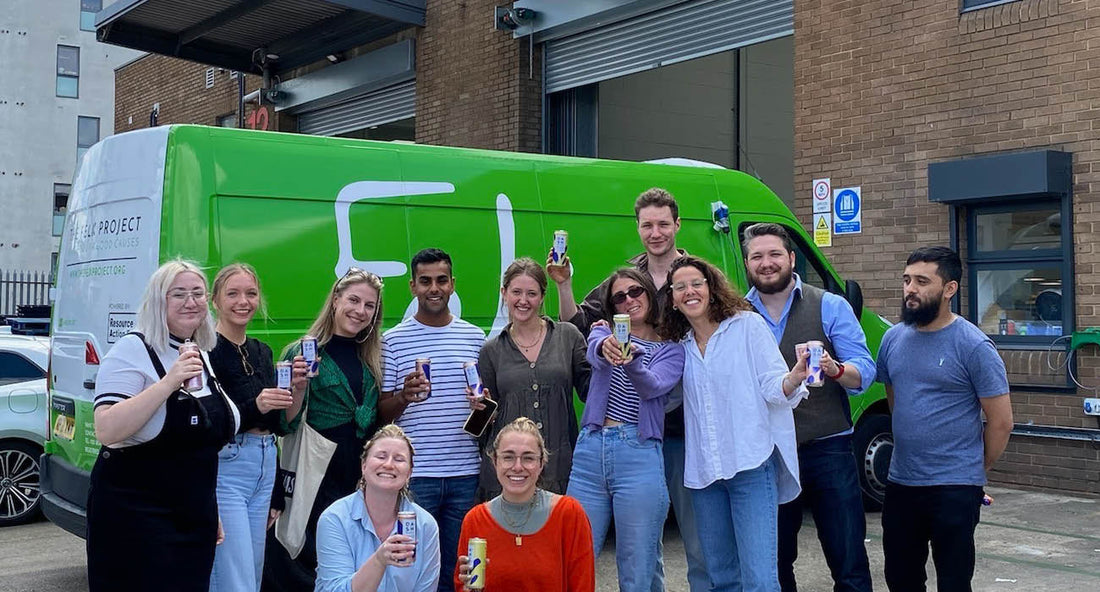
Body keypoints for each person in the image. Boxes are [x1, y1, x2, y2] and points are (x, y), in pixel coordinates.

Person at [549, 187, 706, 592]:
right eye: (647, 225)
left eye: (662, 224)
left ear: (677, 225)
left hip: (678, 431)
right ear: (638, 228)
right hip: (604, 440)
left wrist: (633, 358)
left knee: (678, 547)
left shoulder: (692, 279)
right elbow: (582, 326)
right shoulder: (623, 282)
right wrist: (565, 287)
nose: (655, 232)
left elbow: (705, 334)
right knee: (577, 551)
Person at [86, 259, 240, 591]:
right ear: (158, 301)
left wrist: (208, 508)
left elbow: (199, 447)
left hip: (193, 515)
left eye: (198, 293)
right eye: (179, 294)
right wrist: (168, 384)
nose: (191, 302)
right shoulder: (132, 349)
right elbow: (107, 429)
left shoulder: (199, 353)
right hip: (136, 515)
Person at [660, 255, 809, 592]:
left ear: (711, 288)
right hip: (704, 477)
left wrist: (793, 377)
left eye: (696, 284)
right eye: (680, 287)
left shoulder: (747, 326)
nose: (689, 292)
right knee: (723, 579)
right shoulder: (679, 346)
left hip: (751, 467)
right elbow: (665, 399)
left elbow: (773, 385)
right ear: (672, 298)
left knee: (759, 581)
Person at [740, 223, 875, 592]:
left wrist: (836, 369)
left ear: (791, 258)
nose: (766, 263)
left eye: (774, 254)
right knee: (775, 560)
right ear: (747, 263)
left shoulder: (830, 304)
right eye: (757, 256)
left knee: (847, 556)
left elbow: (865, 370)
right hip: (769, 452)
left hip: (827, 446)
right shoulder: (737, 314)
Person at [876, 247, 1012, 592]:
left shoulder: (974, 346)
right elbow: (896, 398)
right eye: (907, 280)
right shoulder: (892, 339)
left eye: (922, 281)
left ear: (949, 289)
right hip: (902, 482)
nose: (910, 289)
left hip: (954, 488)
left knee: (953, 581)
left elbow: (1001, 422)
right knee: (901, 579)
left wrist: (976, 469)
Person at [267, 268, 386, 591]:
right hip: (316, 472)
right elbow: (284, 423)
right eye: (353, 300)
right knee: (310, 563)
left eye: (369, 305)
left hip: (359, 475)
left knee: (352, 560)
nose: (360, 311)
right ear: (335, 300)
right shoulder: (303, 352)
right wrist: (299, 388)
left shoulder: (372, 356)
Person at [566, 268, 684, 592]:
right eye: (620, 297)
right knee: (575, 556)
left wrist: (632, 358)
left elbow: (653, 387)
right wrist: (605, 345)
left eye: (636, 292)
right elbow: (595, 352)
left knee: (638, 567)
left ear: (649, 293)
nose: (629, 300)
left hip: (638, 452)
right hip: (590, 450)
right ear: (612, 306)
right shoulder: (601, 334)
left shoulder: (671, 348)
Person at [378, 248, 486, 592]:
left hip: (465, 472)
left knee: (458, 570)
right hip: (416, 473)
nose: (434, 288)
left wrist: (481, 407)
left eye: (441, 280)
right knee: (413, 567)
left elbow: (485, 413)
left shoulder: (475, 338)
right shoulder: (393, 341)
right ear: (412, 287)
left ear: (453, 284)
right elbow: (381, 413)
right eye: (425, 281)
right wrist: (403, 396)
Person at [208, 263, 307, 592]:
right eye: (233, 293)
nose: (243, 301)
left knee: (252, 572)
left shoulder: (262, 352)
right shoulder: (207, 353)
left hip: (264, 463)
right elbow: (210, 424)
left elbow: (280, 424)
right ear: (215, 301)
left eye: (251, 293)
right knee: (233, 576)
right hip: (229, 465)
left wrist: (298, 390)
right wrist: (256, 406)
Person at [474, 257, 590, 499]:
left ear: (542, 296)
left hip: (561, 468)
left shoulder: (567, 337)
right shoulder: (491, 350)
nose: (523, 301)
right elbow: (481, 426)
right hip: (509, 473)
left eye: (531, 293)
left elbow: (591, 392)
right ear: (504, 293)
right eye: (516, 292)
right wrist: (479, 408)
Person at [454, 417, 595, 592]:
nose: (517, 467)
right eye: (508, 457)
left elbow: (583, 585)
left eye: (528, 458)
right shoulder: (475, 520)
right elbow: (462, 586)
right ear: (495, 461)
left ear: (541, 463)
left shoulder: (569, 513)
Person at [315, 424, 441, 592]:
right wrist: (379, 560)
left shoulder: (425, 525)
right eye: (381, 456)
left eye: (399, 459)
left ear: (409, 472)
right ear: (364, 465)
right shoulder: (335, 518)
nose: (389, 465)